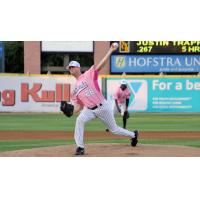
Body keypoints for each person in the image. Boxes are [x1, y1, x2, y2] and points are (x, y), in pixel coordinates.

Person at [67, 43, 139, 155]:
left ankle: (133, 135)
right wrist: (71, 111)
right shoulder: (74, 90)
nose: (70, 68)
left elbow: (100, 66)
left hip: (102, 107)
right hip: (89, 110)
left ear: (78, 68)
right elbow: (79, 107)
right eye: (69, 67)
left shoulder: (88, 75)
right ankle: (80, 147)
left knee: (114, 129)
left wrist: (110, 51)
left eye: (72, 66)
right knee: (79, 120)